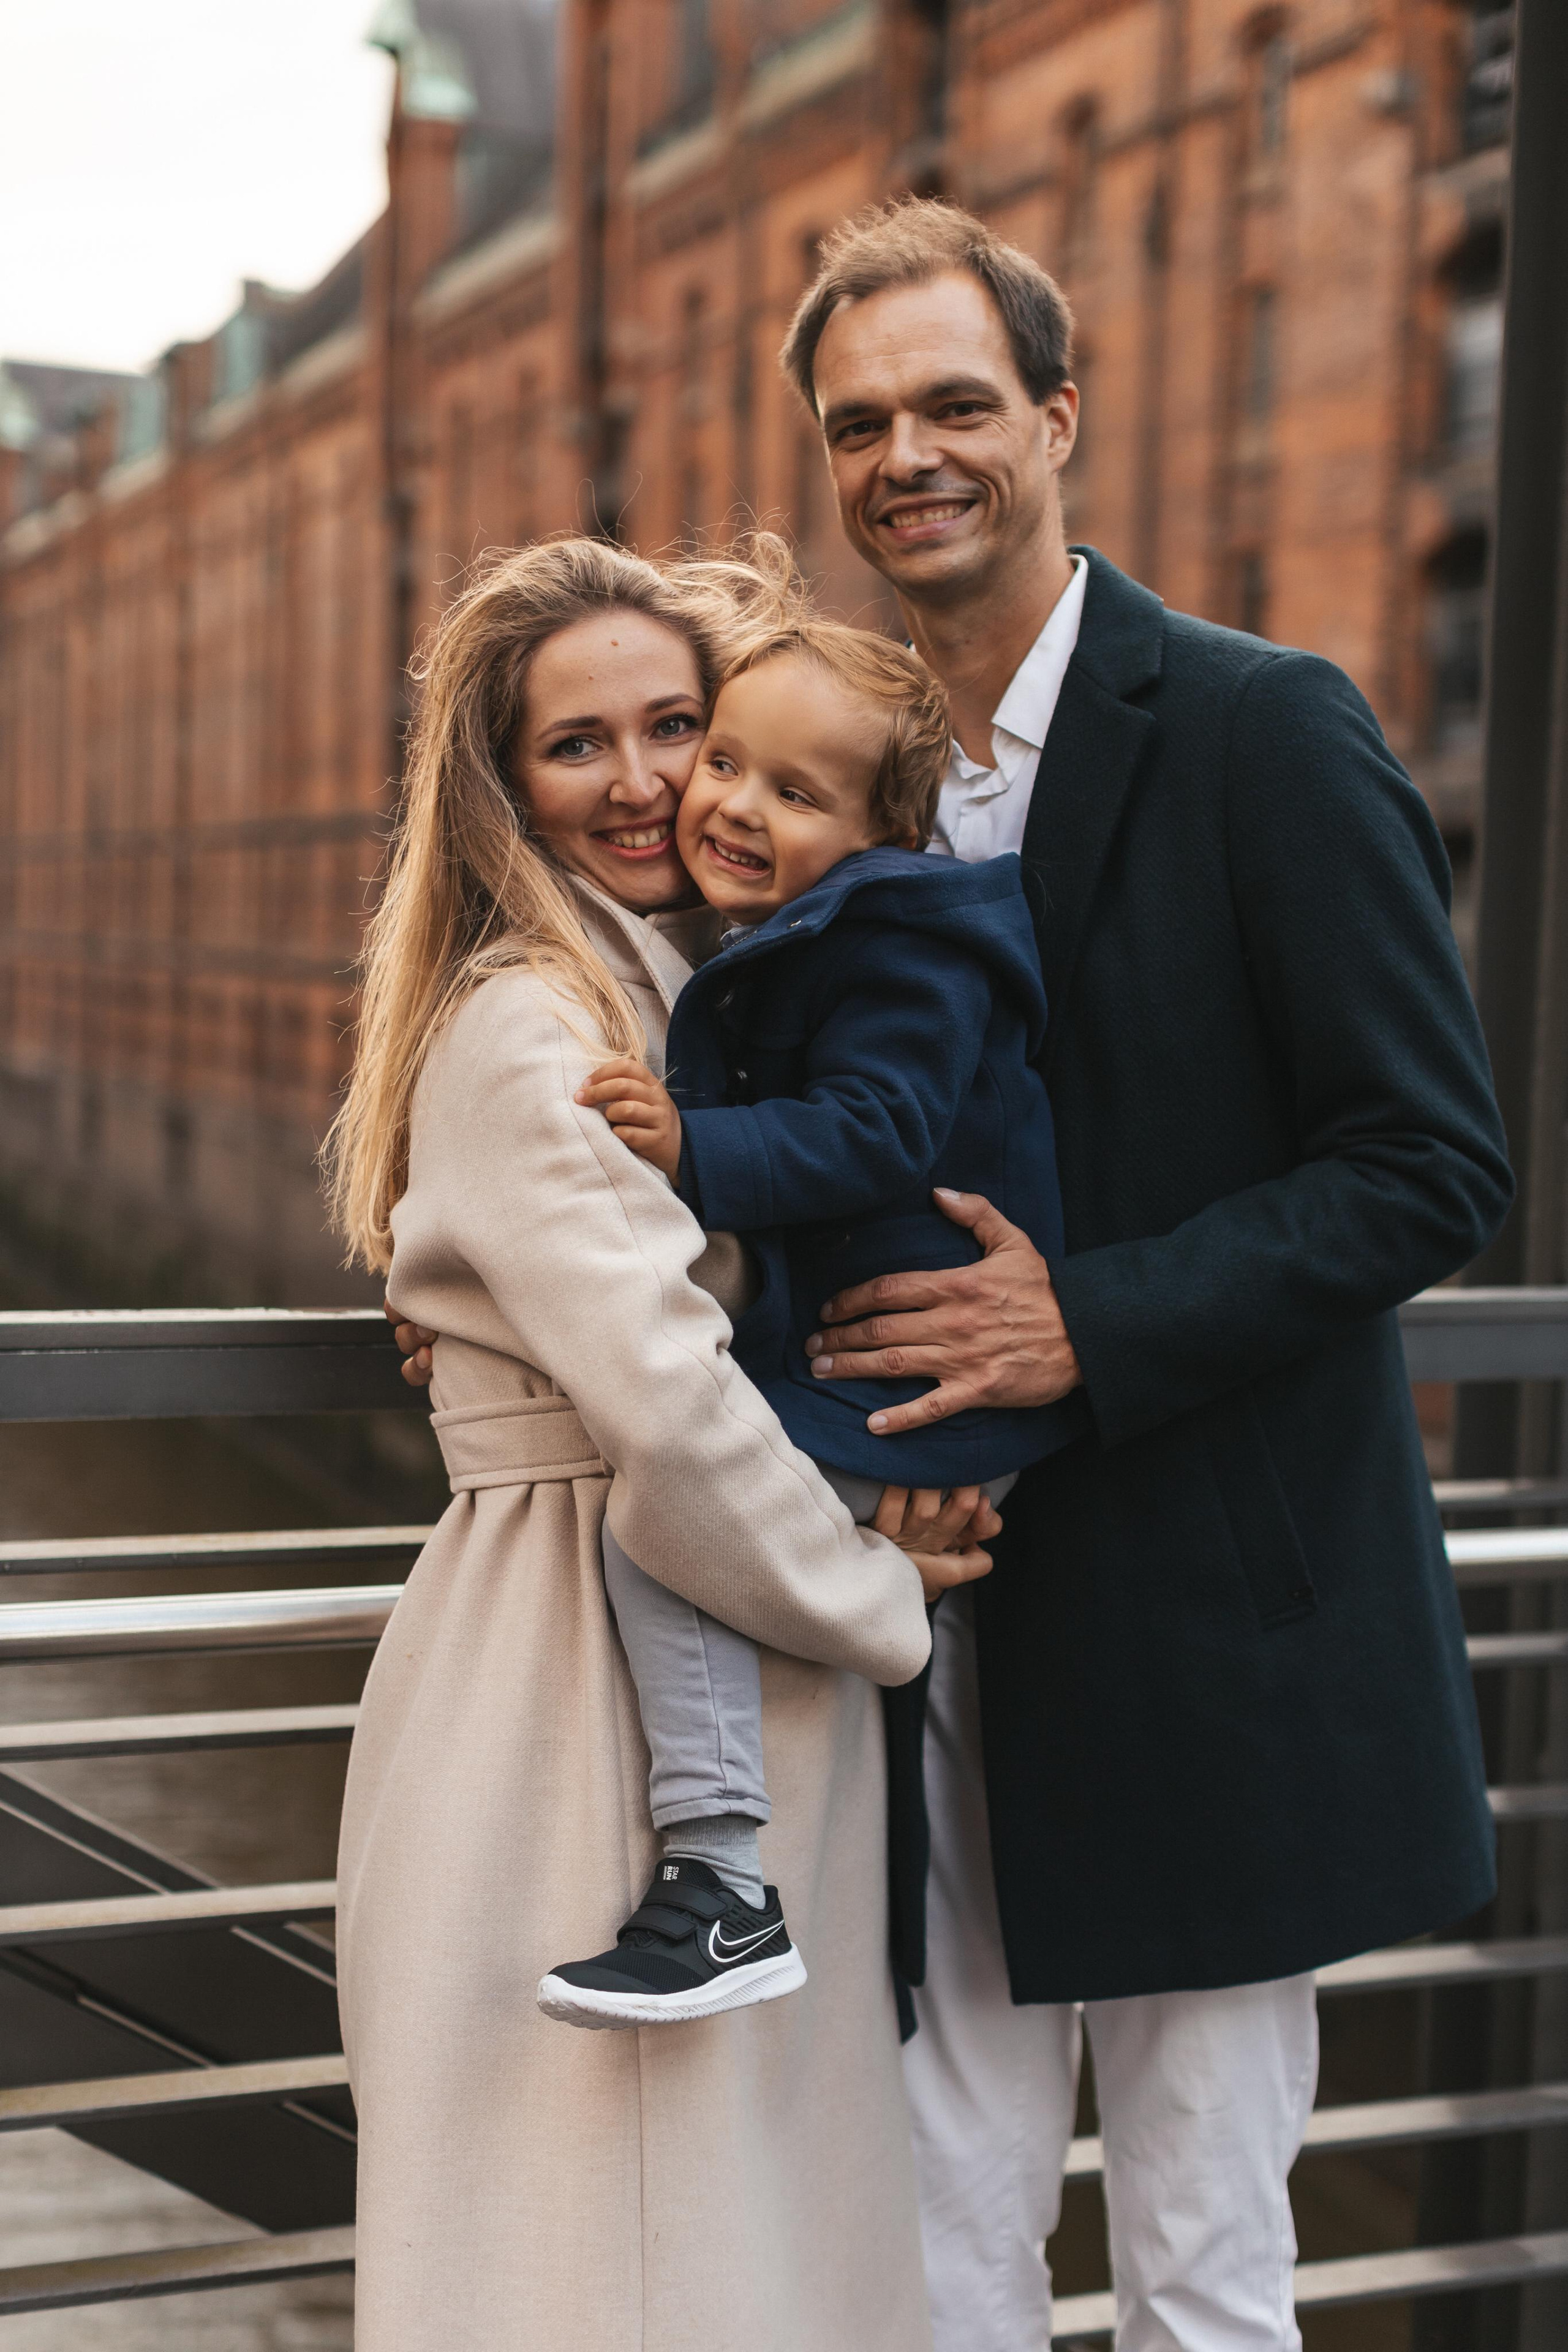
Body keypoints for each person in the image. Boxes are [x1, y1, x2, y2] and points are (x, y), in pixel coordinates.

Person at [397, 200, 1514, 2348]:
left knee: (1200, 2262)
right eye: (859, 422)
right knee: (932, 2247)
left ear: (1057, 417)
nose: (907, 452)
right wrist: (478, 1275)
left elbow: (1430, 1162)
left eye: (954, 404)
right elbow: (724, 1113)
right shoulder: (821, 773)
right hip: (922, 1629)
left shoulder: (1266, 732)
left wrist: (1079, 1321)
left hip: (1206, 1623)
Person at [329, 535, 991, 2349]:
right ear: (498, 784)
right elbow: (673, 1411)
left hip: (705, 1676)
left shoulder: (711, 1015)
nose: (642, 786)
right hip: (581, 1707)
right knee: (605, 2274)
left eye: (678, 728)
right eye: (575, 745)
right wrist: (879, 1600)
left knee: (715, 2268)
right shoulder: (543, 1024)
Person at [540, 605, 1082, 2030]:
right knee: (698, 1523)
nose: (722, 804)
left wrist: (686, 1144)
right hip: (867, 1367)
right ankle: (760, 1891)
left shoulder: (903, 944)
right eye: (724, 760)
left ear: (882, 836)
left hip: (931, 1381)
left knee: (674, 1531)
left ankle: (721, 1882)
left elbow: (876, 1132)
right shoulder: (815, 932)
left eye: (795, 794)